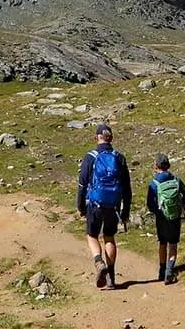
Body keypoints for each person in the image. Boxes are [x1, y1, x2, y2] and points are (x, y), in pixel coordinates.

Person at [76, 124, 132, 290]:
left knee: (92, 235)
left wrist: (80, 206)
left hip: (94, 203)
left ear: (96, 138)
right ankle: (111, 279)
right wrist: (125, 211)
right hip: (113, 204)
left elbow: (82, 184)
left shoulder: (90, 157)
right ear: (111, 138)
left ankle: (99, 262)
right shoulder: (119, 157)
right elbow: (127, 187)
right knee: (109, 237)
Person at [146, 153, 185, 284]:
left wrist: (158, 211)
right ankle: (169, 272)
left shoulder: (154, 183)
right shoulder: (176, 179)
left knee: (162, 243)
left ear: (156, 166)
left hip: (161, 218)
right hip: (175, 217)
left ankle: (161, 270)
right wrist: (179, 205)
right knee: (173, 244)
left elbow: (150, 204)